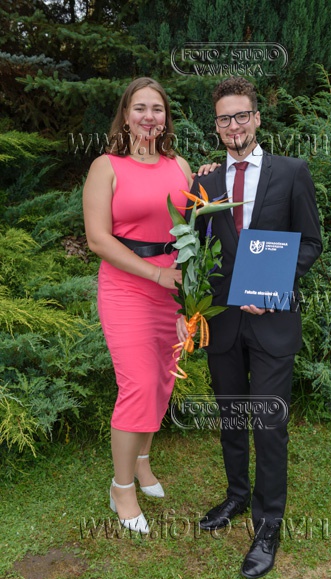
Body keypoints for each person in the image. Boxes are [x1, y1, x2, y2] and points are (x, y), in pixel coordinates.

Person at [177, 77, 322, 578]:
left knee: (269, 424)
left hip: (272, 321)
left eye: (242, 115)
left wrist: (272, 287)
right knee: (232, 417)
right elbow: (192, 250)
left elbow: (310, 243)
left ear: (257, 118)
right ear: (216, 126)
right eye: (225, 118)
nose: (234, 125)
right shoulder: (206, 183)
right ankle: (237, 495)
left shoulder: (292, 172)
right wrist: (187, 308)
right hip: (221, 322)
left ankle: (268, 526)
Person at [83, 77, 194, 534]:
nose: (150, 117)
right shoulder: (106, 167)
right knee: (139, 384)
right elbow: (97, 239)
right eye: (140, 108)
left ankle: (143, 461)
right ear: (125, 116)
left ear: (166, 118)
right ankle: (121, 488)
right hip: (128, 288)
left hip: (173, 289)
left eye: (158, 109)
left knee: (162, 382)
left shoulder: (180, 165)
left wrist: (187, 296)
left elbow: (196, 226)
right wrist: (155, 274)